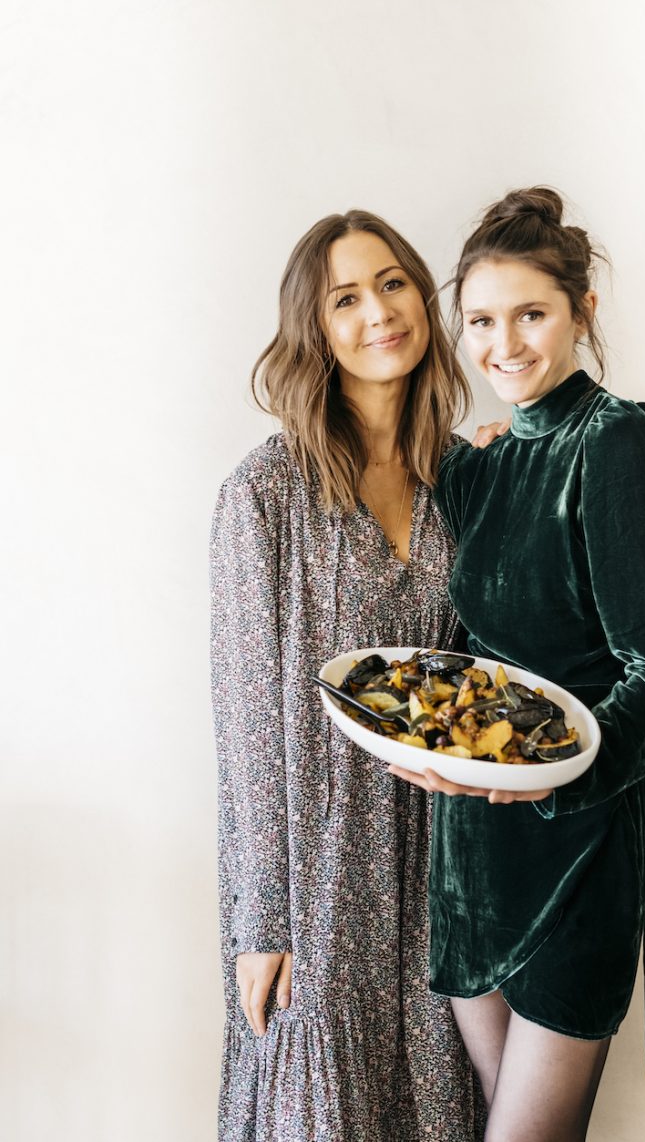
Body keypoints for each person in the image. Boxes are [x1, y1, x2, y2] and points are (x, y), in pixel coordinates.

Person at [389, 187, 645, 1142]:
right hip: (472, 856)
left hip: (580, 843)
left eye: (532, 314)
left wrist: (551, 776)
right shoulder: (476, 465)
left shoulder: (616, 442)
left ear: (581, 313)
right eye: (481, 320)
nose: (505, 345)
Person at [209, 209, 486, 1141]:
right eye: (346, 298)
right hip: (322, 874)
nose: (379, 312)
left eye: (394, 283)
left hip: (447, 862)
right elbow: (247, 724)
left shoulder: (465, 479)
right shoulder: (266, 494)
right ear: (315, 329)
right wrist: (261, 921)